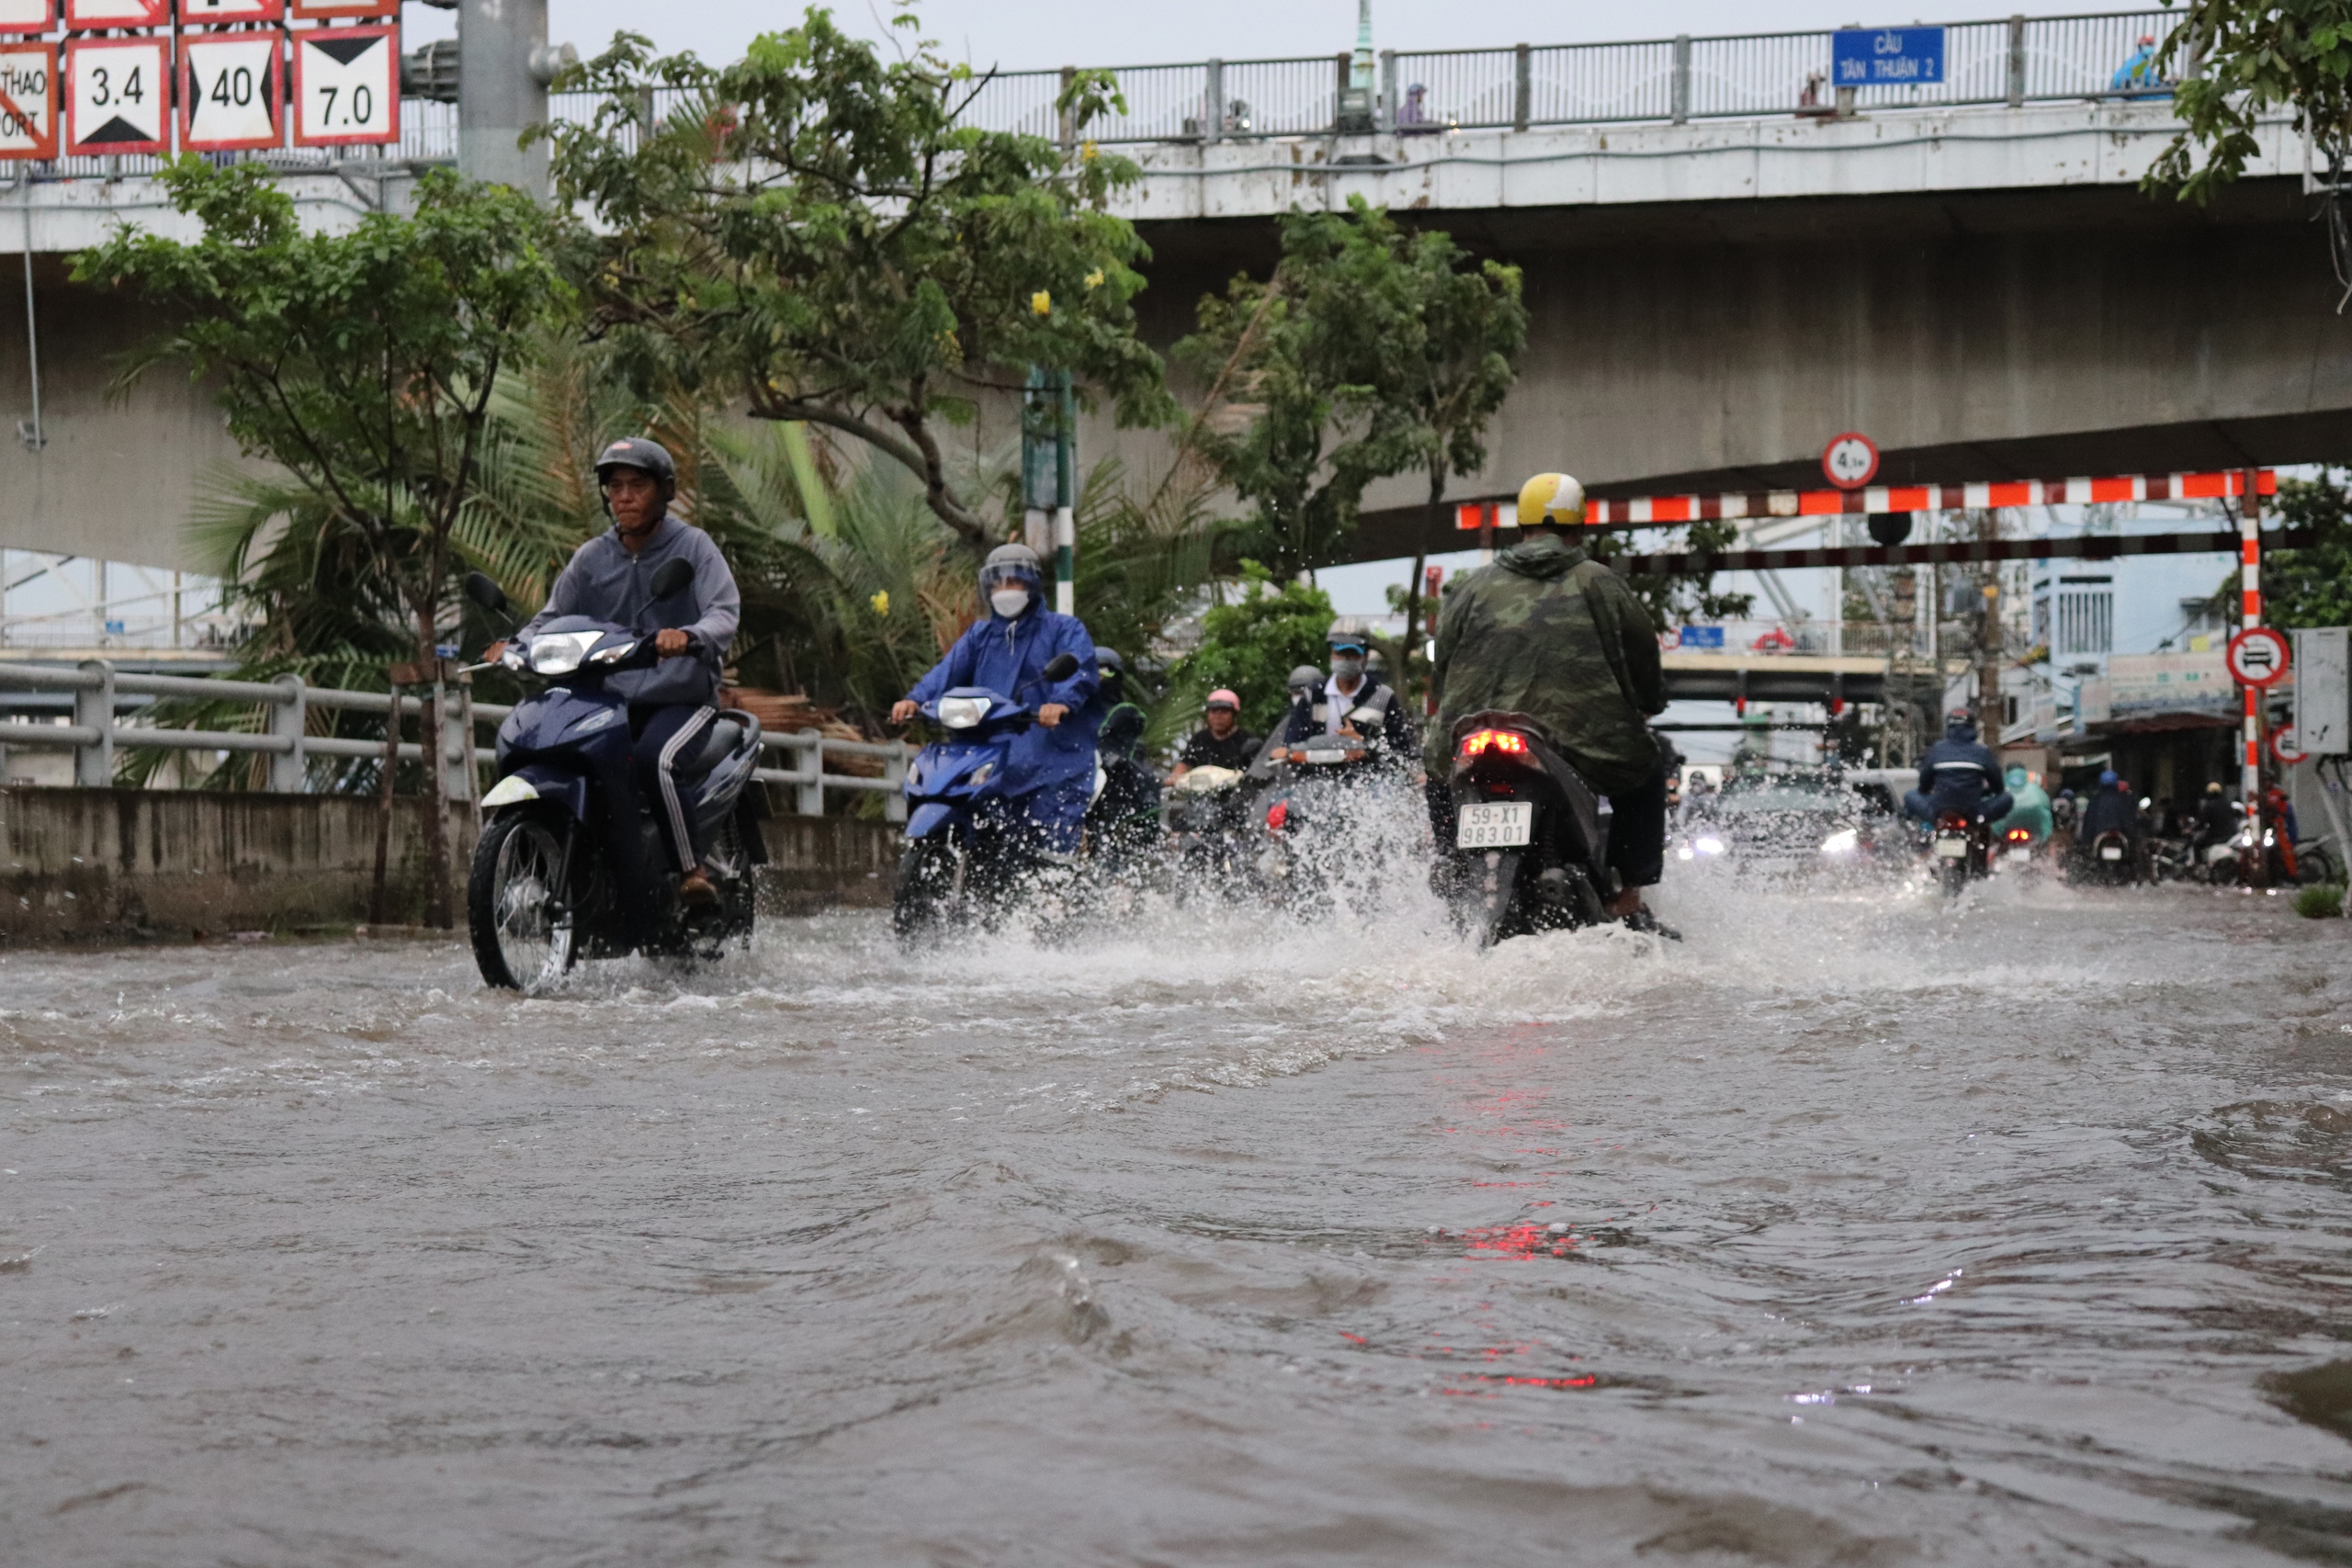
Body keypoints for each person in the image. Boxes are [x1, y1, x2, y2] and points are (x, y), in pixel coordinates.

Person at [1427, 471, 1670, 925]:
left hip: (1474, 732)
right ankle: (1629, 894)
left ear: (1520, 527)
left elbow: (1441, 672)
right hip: (1580, 743)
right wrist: (1650, 700)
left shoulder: (1470, 588)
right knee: (1649, 764)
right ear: (1578, 528)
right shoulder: (1601, 584)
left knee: (1437, 769)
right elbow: (1643, 662)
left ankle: (1449, 859)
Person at [509, 436, 741, 905]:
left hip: (681, 699)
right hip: (607, 700)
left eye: (637, 485)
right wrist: (515, 645)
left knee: (656, 758)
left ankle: (690, 871)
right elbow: (550, 618)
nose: (625, 496)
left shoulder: (693, 547)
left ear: (663, 491)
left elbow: (724, 610)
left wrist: (690, 636)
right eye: (615, 486)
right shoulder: (592, 558)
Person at [889, 543, 1100, 857]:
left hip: (1050, 757)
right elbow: (946, 672)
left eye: (1014, 582)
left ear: (1032, 585)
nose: (1005, 590)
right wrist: (916, 700)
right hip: (991, 754)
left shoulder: (1063, 629)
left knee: (1050, 844)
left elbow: (1078, 669)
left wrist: (1061, 703)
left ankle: (1059, 893)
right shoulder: (980, 636)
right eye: (997, 583)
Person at [1276, 617, 1415, 764]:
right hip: (1315, 778)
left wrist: (1361, 743)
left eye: (1352, 654)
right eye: (1340, 653)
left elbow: (1401, 751)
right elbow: (1293, 741)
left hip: (1365, 780)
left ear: (1365, 657)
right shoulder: (1314, 694)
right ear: (1331, 654)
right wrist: (1287, 753)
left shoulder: (1383, 697)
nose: (1345, 660)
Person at [1903, 713, 2013, 827]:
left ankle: (1907, 831)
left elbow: (1924, 784)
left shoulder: (1937, 749)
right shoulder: (1982, 751)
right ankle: (1981, 828)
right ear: (1972, 727)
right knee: (2007, 797)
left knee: (1910, 795)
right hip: (1973, 812)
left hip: (1939, 811)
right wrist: (1987, 791)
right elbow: (1997, 785)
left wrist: (1929, 790)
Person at [1170, 690, 1259, 782]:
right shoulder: (1199, 739)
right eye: (1213, 711)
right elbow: (1185, 764)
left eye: (1224, 711)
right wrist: (1176, 777)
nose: (1218, 716)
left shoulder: (1247, 740)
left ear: (1234, 715)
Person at [1994, 764, 2052, 845]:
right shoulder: (2034, 785)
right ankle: (2044, 850)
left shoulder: (2000, 785)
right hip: (2034, 820)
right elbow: (2046, 805)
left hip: (2006, 822)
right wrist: (2045, 837)